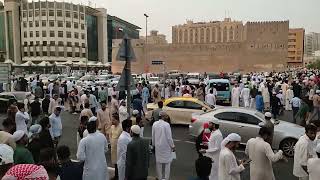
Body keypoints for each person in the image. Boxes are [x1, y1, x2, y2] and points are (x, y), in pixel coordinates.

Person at [152, 111, 175, 180]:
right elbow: (169, 137)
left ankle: (159, 177)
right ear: (163, 116)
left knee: (158, 163)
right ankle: (166, 178)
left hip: (158, 146)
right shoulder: (167, 125)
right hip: (166, 147)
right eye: (166, 116)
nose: (167, 117)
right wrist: (172, 146)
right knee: (167, 163)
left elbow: (153, 136)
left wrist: (153, 145)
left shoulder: (155, 124)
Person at [109, 113, 122, 180]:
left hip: (118, 148)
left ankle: (119, 176)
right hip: (113, 147)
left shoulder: (120, 127)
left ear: (117, 120)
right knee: (115, 162)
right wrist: (111, 141)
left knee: (119, 163)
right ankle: (116, 175)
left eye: (113, 120)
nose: (112, 121)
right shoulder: (112, 127)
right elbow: (110, 135)